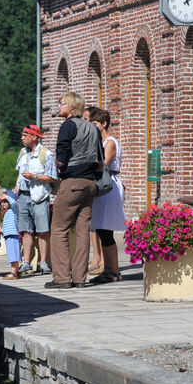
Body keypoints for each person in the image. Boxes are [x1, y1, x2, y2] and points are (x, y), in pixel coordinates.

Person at [46, 92, 101, 289]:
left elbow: (61, 158)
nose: (59, 107)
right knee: (82, 231)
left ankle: (61, 278)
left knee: (59, 229)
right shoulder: (93, 128)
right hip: (90, 183)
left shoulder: (68, 126)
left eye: (61, 104)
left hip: (72, 182)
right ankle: (80, 279)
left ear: (70, 106)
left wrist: (52, 163)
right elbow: (100, 162)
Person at [88, 108, 127, 284]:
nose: (93, 127)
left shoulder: (110, 142)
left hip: (109, 186)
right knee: (101, 230)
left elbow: (103, 164)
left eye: (95, 124)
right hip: (101, 186)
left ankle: (114, 271)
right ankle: (107, 269)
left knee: (107, 230)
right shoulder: (98, 142)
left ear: (104, 124)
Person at [14, 124, 57, 275]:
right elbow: (19, 174)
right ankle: (26, 263)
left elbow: (52, 177)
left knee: (43, 231)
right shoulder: (22, 152)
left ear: (34, 137)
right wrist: (15, 190)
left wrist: (35, 177)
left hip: (39, 197)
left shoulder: (46, 154)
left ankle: (43, 263)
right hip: (23, 196)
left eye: (25, 135)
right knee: (26, 231)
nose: (22, 138)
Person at [83, 106, 103, 275]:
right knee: (94, 225)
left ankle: (102, 261)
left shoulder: (109, 142)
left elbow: (103, 164)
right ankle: (96, 258)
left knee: (102, 227)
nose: (88, 125)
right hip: (94, 183)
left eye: (91, 121)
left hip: (103, 185)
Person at [0, 191, 22, 279]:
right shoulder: (8, 212)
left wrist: (6, 196)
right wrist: (2, 230)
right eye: (2, 202)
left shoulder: (14, 209)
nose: (3, 203)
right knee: (13, 253)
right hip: (9, 235)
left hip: (12, 234)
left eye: (5, 201)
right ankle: (16, 271)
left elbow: (14, 202)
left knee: (13, 254)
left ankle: (13, 273)